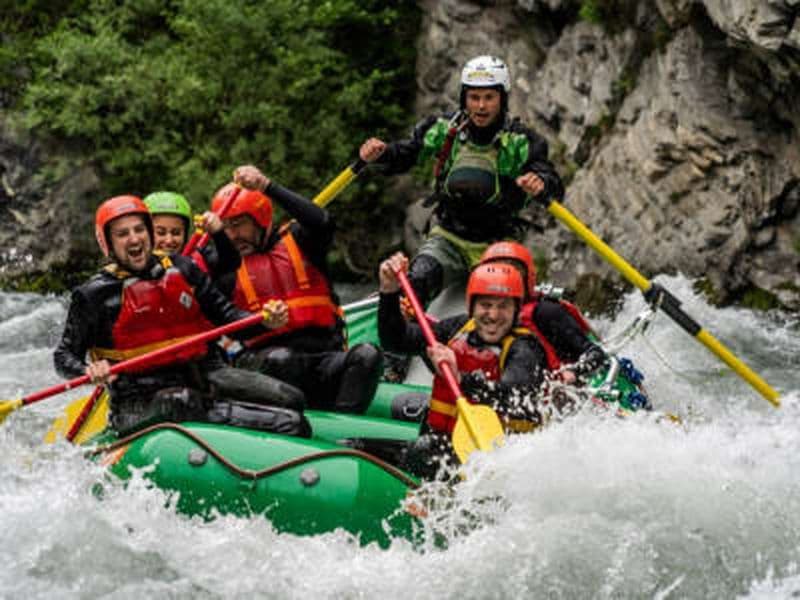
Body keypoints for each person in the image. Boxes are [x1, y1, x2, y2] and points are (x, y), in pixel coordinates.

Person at [54, 195, 309, 437]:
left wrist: (265, 322)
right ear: (108, 244)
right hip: (139, 400)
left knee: (291, 399)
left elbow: (227, 316)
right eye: (122, 234)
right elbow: (63, 356)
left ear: (149, 233)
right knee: (180, 401)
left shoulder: (183, 269)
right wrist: (88, 370)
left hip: (203, 376)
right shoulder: (93, 295)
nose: (134, 239)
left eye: (139, 230)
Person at [359, 55, 565, 308]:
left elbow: (551, 181)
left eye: (489, 98)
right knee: (417, 280)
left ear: (502, 99)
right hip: (448, 239)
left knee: (502, 302)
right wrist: (382, 154)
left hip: (498, 244)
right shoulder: (443, 129)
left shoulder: (521, 141)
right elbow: (407, 153)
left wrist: (541, 182)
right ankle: (399, 316)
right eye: (474, 97)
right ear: (464, 98)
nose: (481, 106)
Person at [212, 166, 383, 414]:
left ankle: (346, 426)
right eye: (225, 227)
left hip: (324, 359)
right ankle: (287, 419)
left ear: (261, 219)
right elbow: (224, 324)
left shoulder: (300, 240)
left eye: (238, 225)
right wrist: (263, 324)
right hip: (267, 364)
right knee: (282, 359)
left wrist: (267, 186)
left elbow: (322, 222)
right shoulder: (225, 267)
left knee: (367, 354)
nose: (232, 235)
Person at [378, 253, 548, 477]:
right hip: (444, 442)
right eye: (485, 305)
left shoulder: (525, 348)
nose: (493, 315)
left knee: (424, 450)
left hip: (496, 456)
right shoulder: (458, 328)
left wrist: (460, 378)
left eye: (503, 306)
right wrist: (389, 293)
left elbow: (513, 393)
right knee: (358, 445)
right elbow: (396, 340)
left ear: (516, 309)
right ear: (471, 306)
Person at [478, 241, 607, 384]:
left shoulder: (546, 313)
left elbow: (595, 354)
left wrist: (574, 372)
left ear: (528, 277)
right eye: (494, 275)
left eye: (514, 274)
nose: (504, 284)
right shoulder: (479, 320)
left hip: (563, 388)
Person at [143, 191, 241, 279]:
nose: (169, 240)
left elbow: (231, 263)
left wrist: (218, 233)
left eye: (176, 233)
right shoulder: (137, 264)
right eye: (161, 233)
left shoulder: (200, 256)